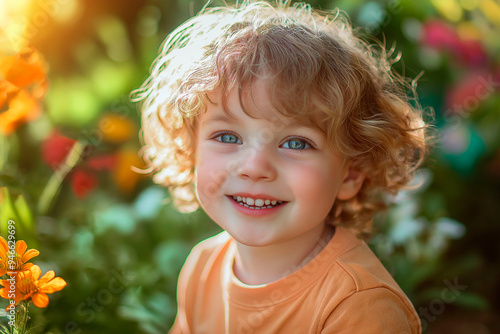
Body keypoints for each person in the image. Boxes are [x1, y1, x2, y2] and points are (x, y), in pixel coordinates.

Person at [133, 1, 429, 332]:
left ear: (350, 174)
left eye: (296, 143)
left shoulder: (359, 307)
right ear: (190, 150)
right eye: (227, 136)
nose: (255, 167)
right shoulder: (203, 267)